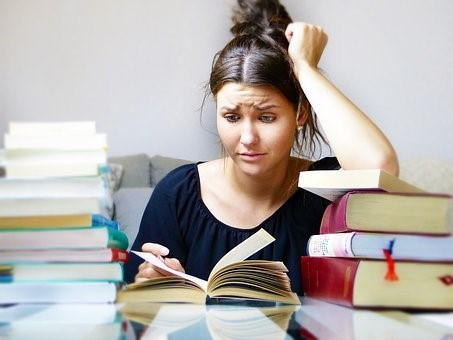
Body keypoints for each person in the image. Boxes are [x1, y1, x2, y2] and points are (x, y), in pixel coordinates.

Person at [123, 0, 398, 295]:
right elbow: (139, 311)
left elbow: (380, 169)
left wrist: (306, 68)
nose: (248, 137)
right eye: (231, 117)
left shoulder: (324, 192)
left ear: (300, 114)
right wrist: (151, 285)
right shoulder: (177, 194)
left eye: (266, 117)